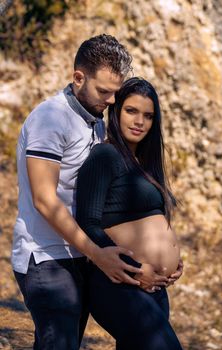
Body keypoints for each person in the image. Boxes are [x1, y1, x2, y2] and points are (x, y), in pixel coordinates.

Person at [11, 34, 147, 350]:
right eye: (104, 91)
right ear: (78, 78)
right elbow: (45, 200)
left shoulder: (96, 121)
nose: (112, 101)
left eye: (116, 92)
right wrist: (98, 254)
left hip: (81, 254)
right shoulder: (50, 118)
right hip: (45, 256)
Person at [76, 77, 184, 349]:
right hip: (118, 283)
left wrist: (171, 260)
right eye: (131, 111)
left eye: (148, 116)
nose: (140, 121)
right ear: (117, 110)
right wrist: (138, 270)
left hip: (154, 285)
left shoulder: (147, 163)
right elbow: (87, 224)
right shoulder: (105, 156)